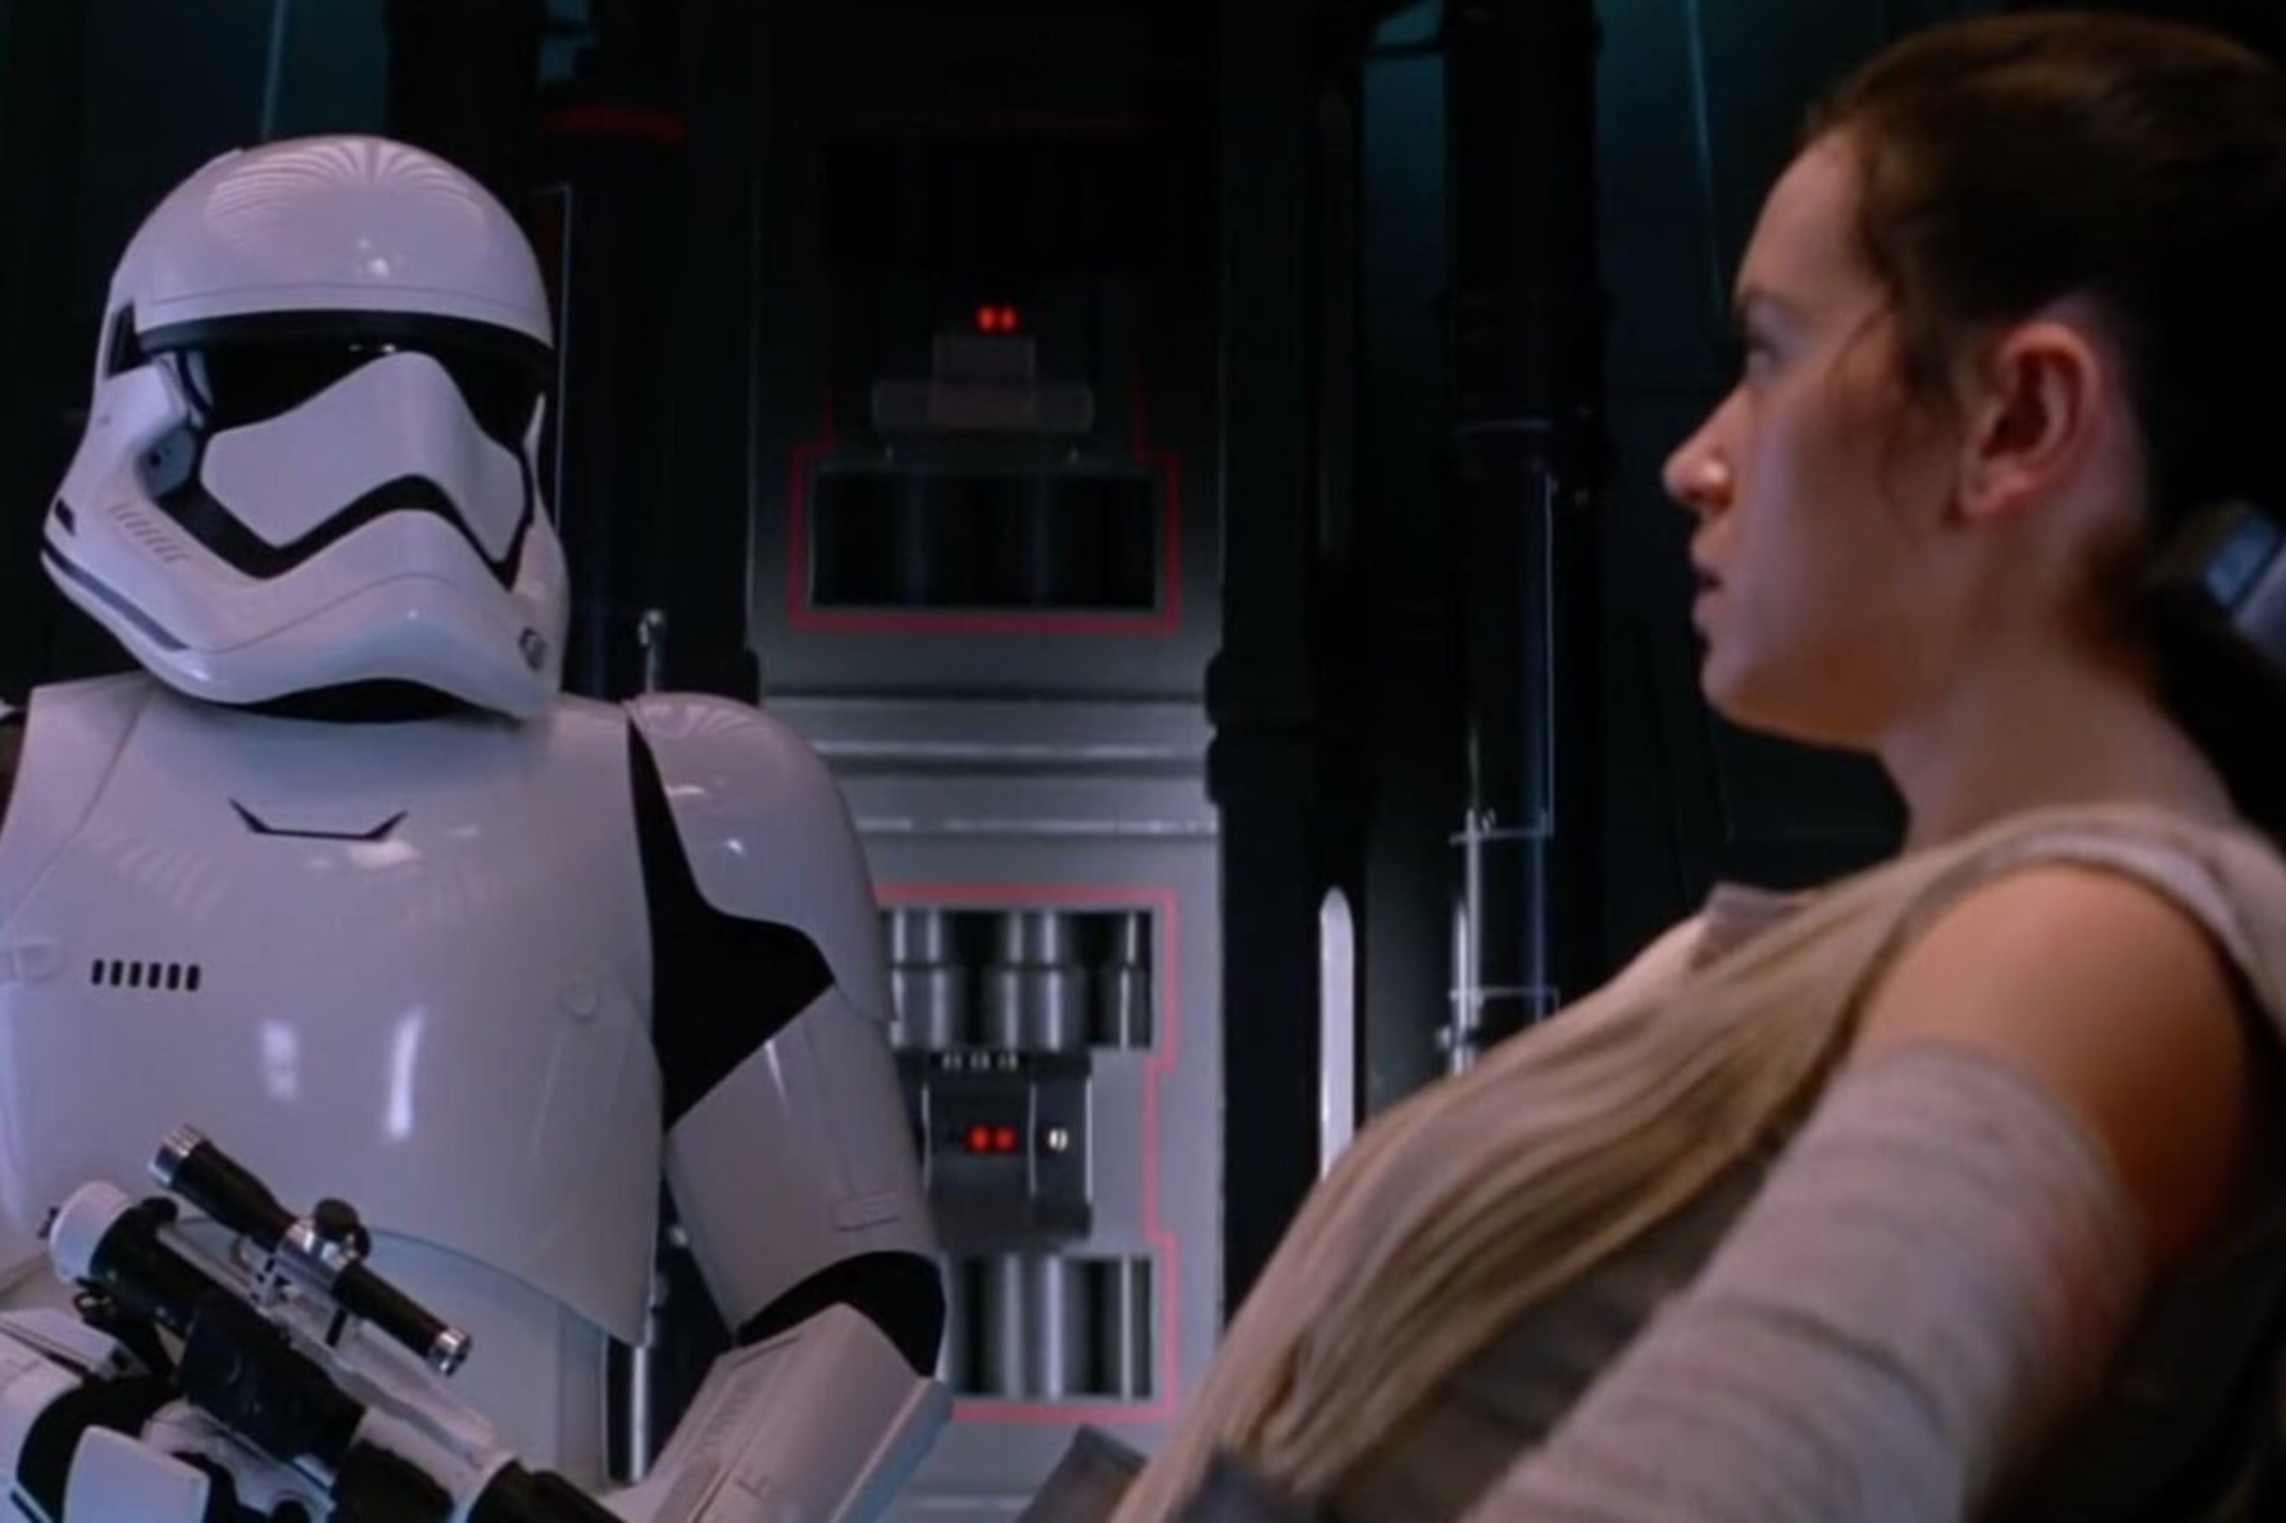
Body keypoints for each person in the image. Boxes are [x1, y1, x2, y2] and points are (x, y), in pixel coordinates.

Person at [1029, 12, 2286, 1522]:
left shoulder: (2092, 940)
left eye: (1768, 354)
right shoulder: (1847, 946)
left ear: (2016, 421)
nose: (1696, 460)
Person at [0, 137, 948, 1518]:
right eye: (300, 373)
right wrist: (62, 1448)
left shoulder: (692, 804)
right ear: (154, 399)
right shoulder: (19, 784)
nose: (404, 444)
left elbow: (848, 1290)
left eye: (475, 386)